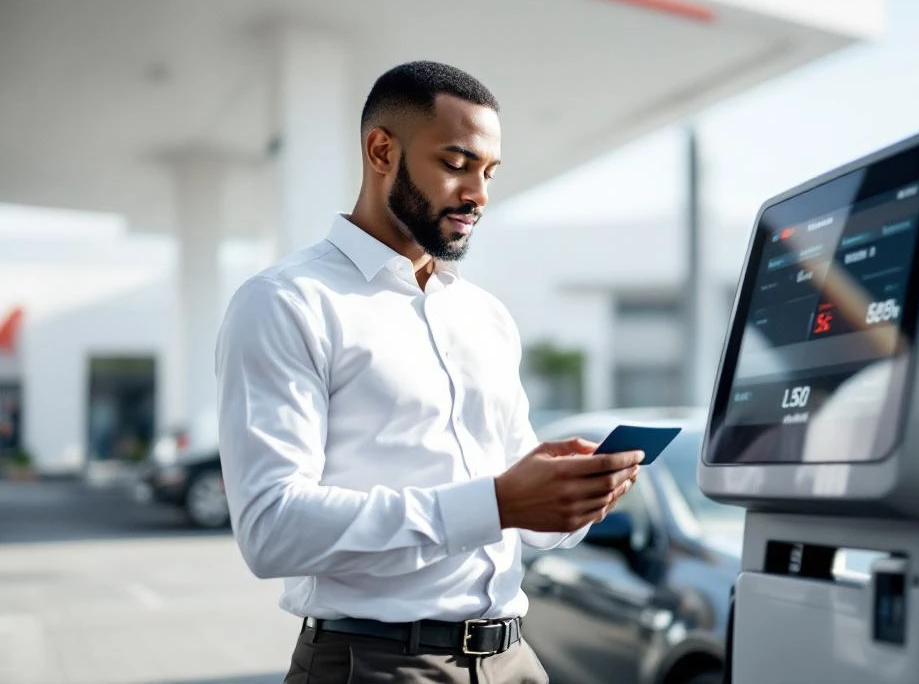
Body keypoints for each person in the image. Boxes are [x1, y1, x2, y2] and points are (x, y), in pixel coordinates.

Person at [215, 61, 644, 684]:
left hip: (516, 661)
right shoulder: (286, 302)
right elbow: (271, 529)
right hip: (379, 665)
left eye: (489, 172)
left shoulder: (486, 317)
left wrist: (569, 501)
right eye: (456, 163)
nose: (479, 195)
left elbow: (517, 524)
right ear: (382, 150)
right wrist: (495, 503)